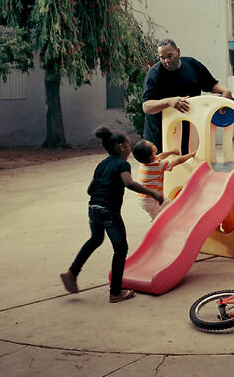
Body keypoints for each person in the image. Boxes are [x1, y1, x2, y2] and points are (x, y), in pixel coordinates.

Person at [59, 126, 163, 303]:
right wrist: (153, 193)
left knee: (96, 239)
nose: (130, 148)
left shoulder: (102, 164)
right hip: (109, 211)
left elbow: (90, 189)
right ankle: (116, 292)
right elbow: (128, 183)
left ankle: (72, 272)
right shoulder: (123, 164)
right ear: (122, 147)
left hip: (93, 208)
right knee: (121, 248)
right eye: (129, 144)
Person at [141, 38, 234, 152]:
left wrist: (225, 91)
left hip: (188, 131)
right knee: (163, 167)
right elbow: (147, 106)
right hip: (160, 135)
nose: (166, 61)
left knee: (188, 162)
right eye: (162, 58)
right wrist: (169, 102)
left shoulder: (192, 65)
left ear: (178, 52)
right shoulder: (154, 75)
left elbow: (211, 84)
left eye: (170, 56)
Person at [131, 140, 195, 219]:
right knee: (157, 217)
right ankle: (158, 229)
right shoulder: (157, 166)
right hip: (150, 200)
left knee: (170, 207)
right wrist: (192, 154)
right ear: (151, 155)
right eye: (152, 145)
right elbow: (178, 161)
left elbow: (160, 156)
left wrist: (171, 152)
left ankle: (171, 221)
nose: (154, 144)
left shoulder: (145, 162)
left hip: (148, 198)